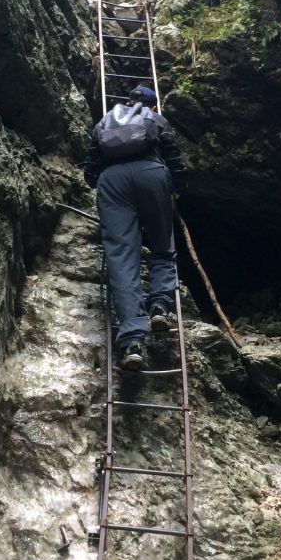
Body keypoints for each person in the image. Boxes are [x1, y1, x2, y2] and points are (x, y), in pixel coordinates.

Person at [84, 85, 188, 370]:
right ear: (153, 106)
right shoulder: (154, 118)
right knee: (162, 246)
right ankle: (159, 306)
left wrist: (106, 181)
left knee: (121, 259)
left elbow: (90, 170)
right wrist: (175, 187)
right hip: (151, 174)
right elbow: (173, 156)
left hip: (112, 182)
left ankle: (132, 342)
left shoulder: (106, 121)